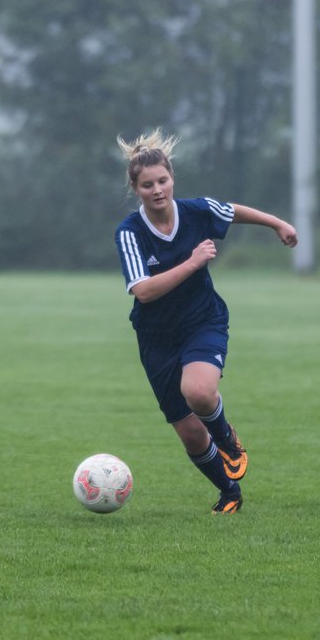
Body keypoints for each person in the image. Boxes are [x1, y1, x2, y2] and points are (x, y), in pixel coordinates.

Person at [114, 129, 298, 514]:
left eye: (163, 181)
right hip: (156, 338)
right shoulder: (130, 233)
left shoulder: (196, 211)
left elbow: (232, 210)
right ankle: (230, 491)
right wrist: (193, 262)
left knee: (198, 392)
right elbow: (144, 291)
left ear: (172, 178)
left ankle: (229, 439)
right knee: (190, 433)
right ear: (135, 189)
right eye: (147, 185)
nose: (157, 189)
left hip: (203, 321)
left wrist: (278, 224)